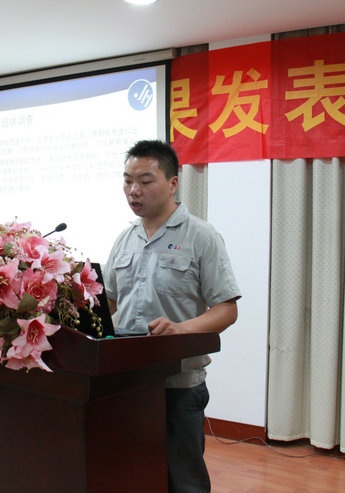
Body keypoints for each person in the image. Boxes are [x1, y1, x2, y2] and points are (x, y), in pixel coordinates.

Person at [104, 139, 241, 493]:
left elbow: (227, 308)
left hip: (178, 384)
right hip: (125, 383)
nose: (134, 190)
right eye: (127, 181)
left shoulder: (201, 236)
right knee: (133, 474)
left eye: (145, 181)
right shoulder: (124, 239)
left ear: (173, 183)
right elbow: (110, 303)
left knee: (184, 480)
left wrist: (182, 329)